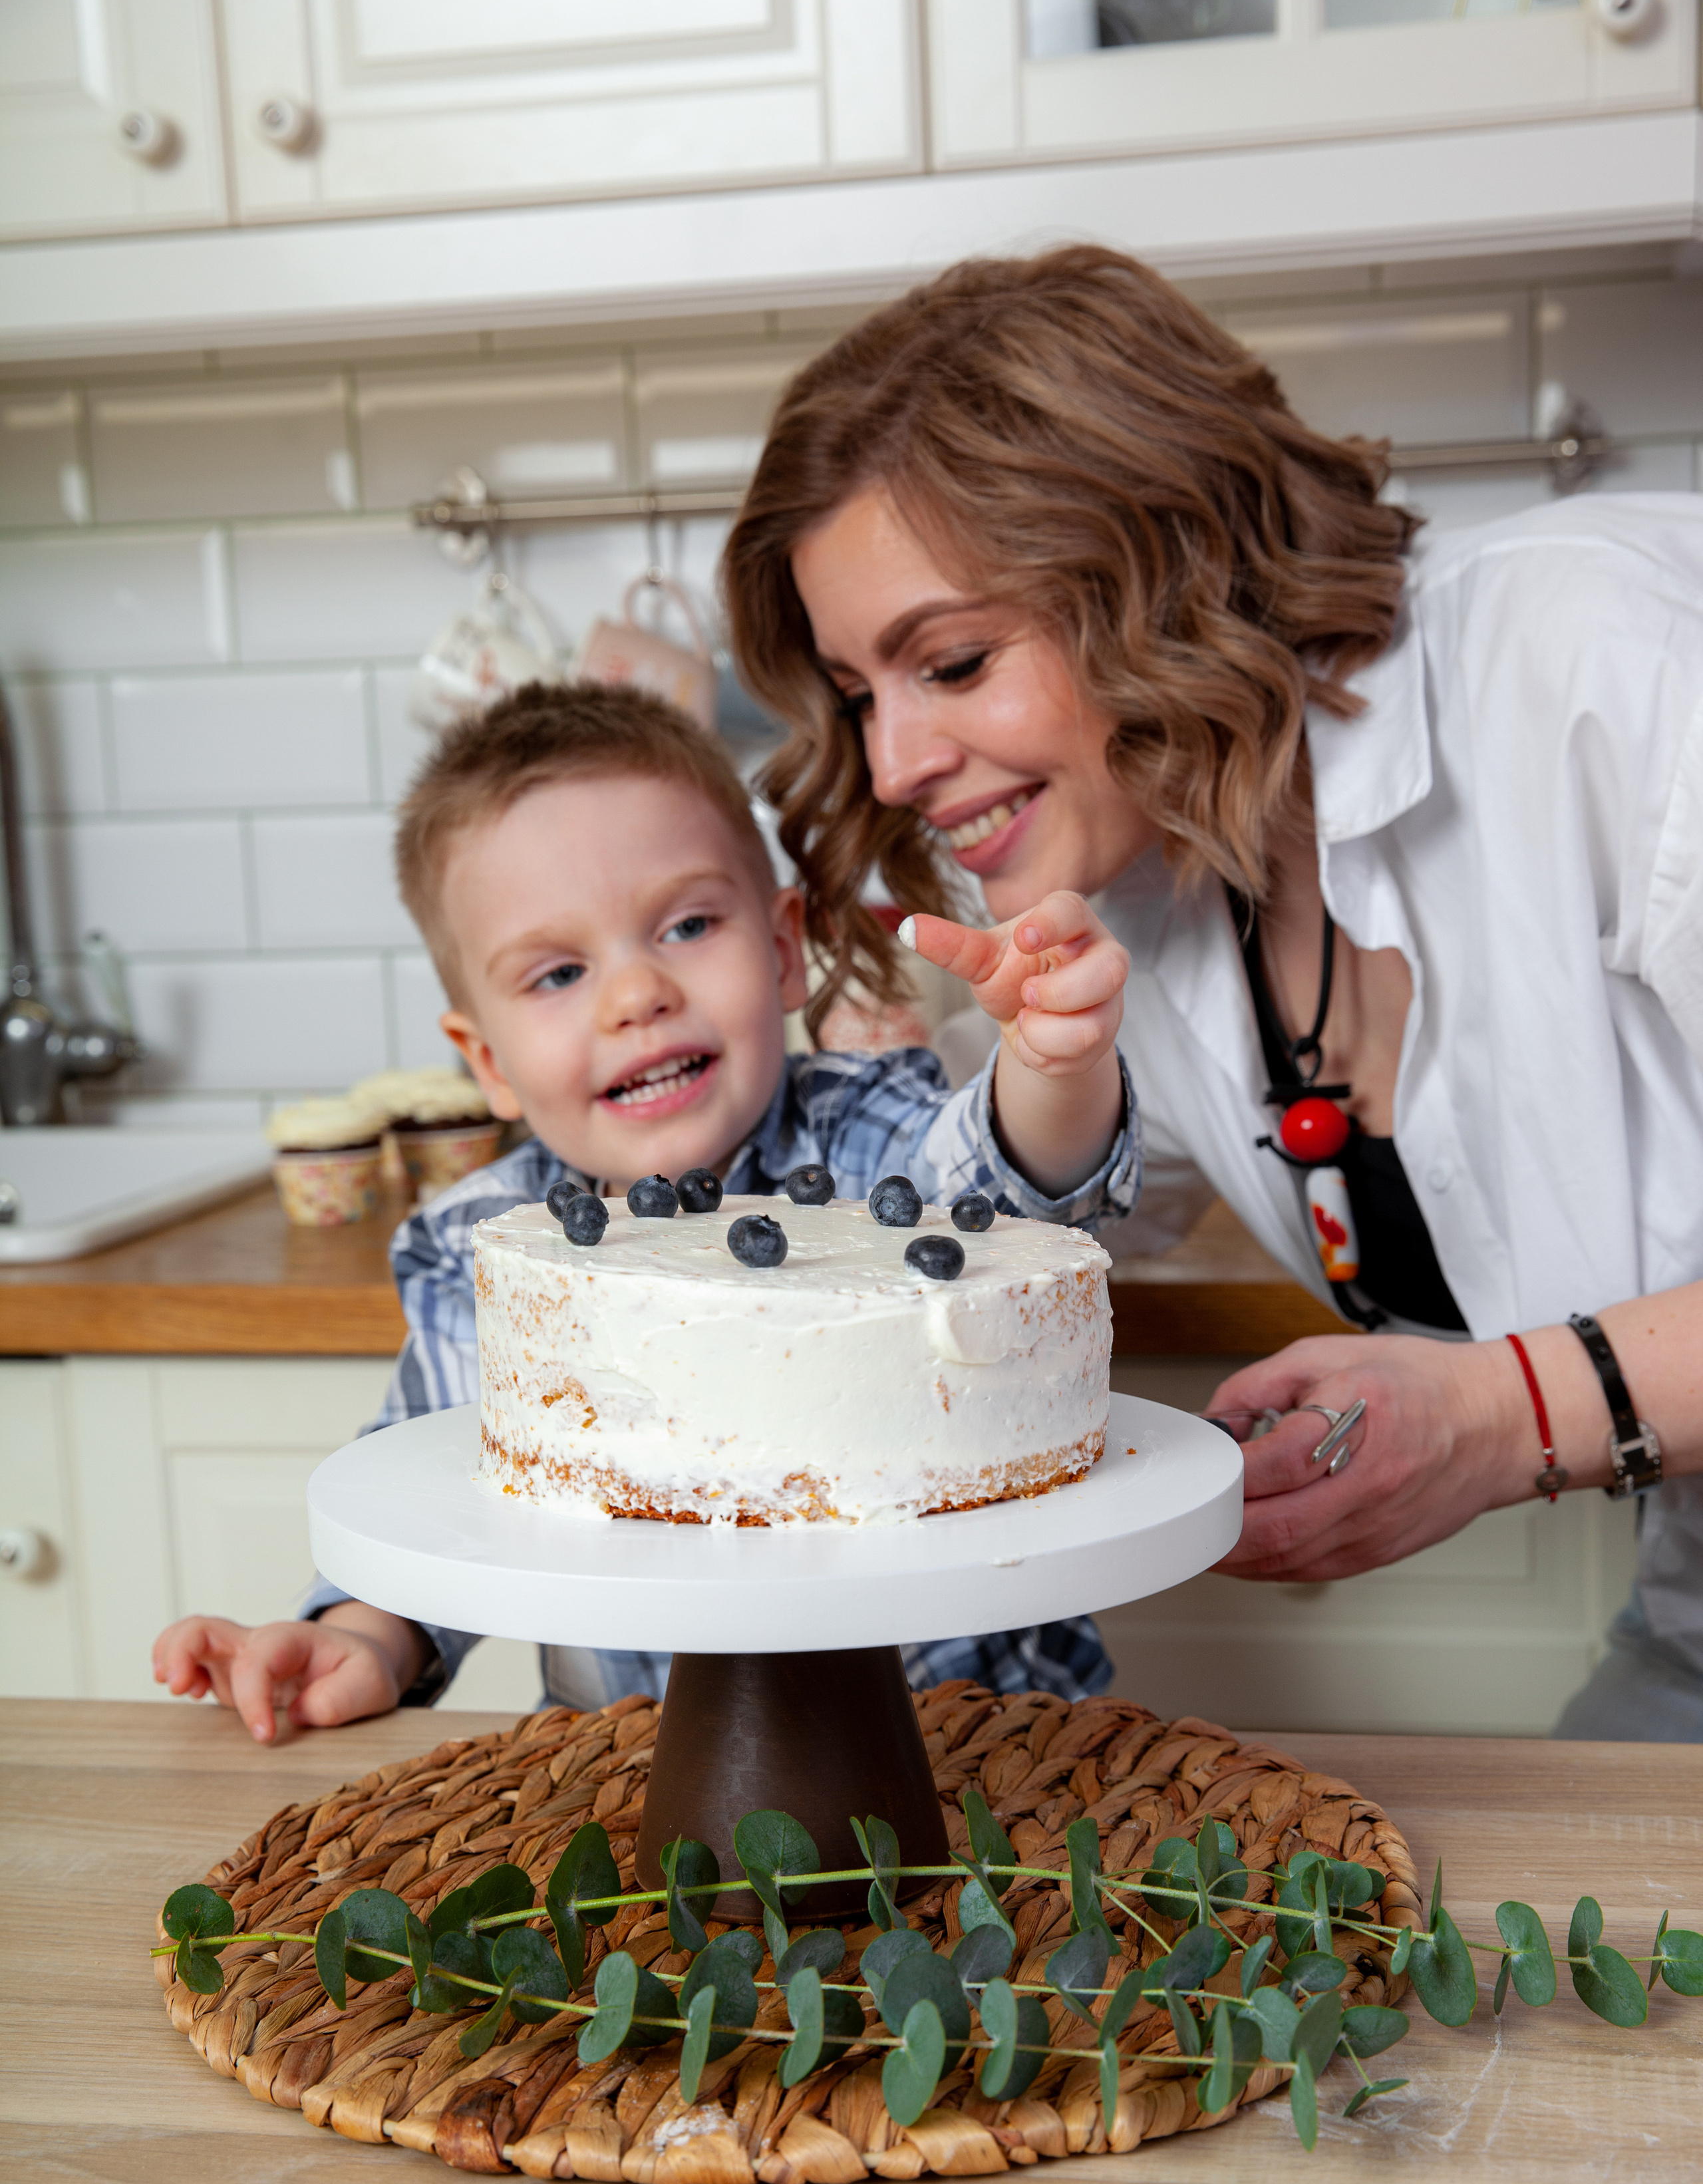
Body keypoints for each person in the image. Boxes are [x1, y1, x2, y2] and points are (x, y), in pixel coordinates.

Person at [720, 243, 1703, 1741]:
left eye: (955, 661)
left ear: (1162, 567)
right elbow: (1016, 1245)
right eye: (861, 693)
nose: (892, 766)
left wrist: (1503, 1415)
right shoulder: (1160, 884)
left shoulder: (1600, 660)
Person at [152, 679, 1136, 1741]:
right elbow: (442, 1507)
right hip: (629, 1766)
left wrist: (1049, 1068)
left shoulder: (863, 1134)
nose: (637, 995)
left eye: (687, 924)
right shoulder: (480, 1250)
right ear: (485, 1059)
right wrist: (359, 1638)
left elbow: (1009, 1199)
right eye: (560, 971)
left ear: (779, 945)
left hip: (981, 1731)